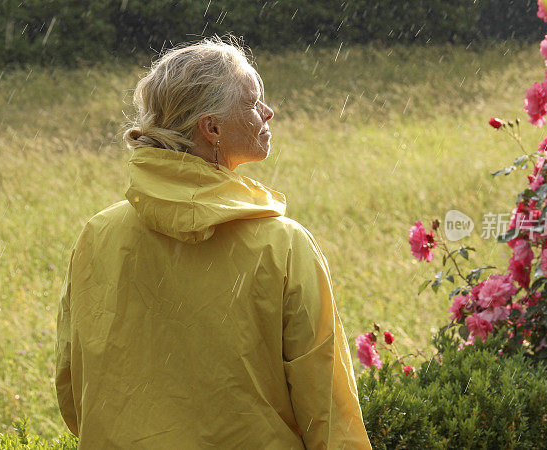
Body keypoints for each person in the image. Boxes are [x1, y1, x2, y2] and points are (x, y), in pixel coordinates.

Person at [55, 37, 372, 449]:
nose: (268, 112)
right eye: (254, 101)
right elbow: (329, 411)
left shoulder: (97, 234)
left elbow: (71, 388)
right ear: (212, 128)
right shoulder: (284, 246)